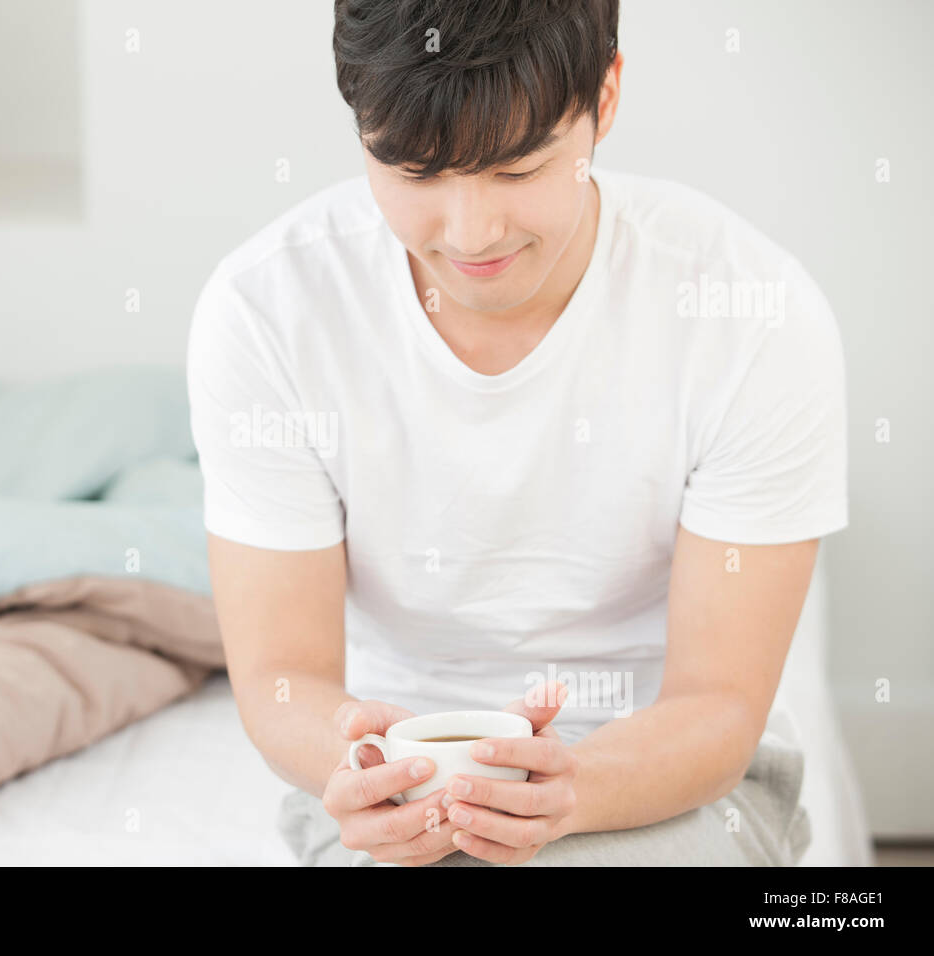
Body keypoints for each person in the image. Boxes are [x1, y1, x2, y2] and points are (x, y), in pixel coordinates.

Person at [186, 0, 845, 866]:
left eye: (517, 170)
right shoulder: (266, 313)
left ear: (604, 98)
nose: (470, 235)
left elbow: (717, 704)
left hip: (666, 772)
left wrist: (571, 790)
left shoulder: (751, 313)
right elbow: (283, 682)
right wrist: (361, 761)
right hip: (397, 780)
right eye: (416, 175)